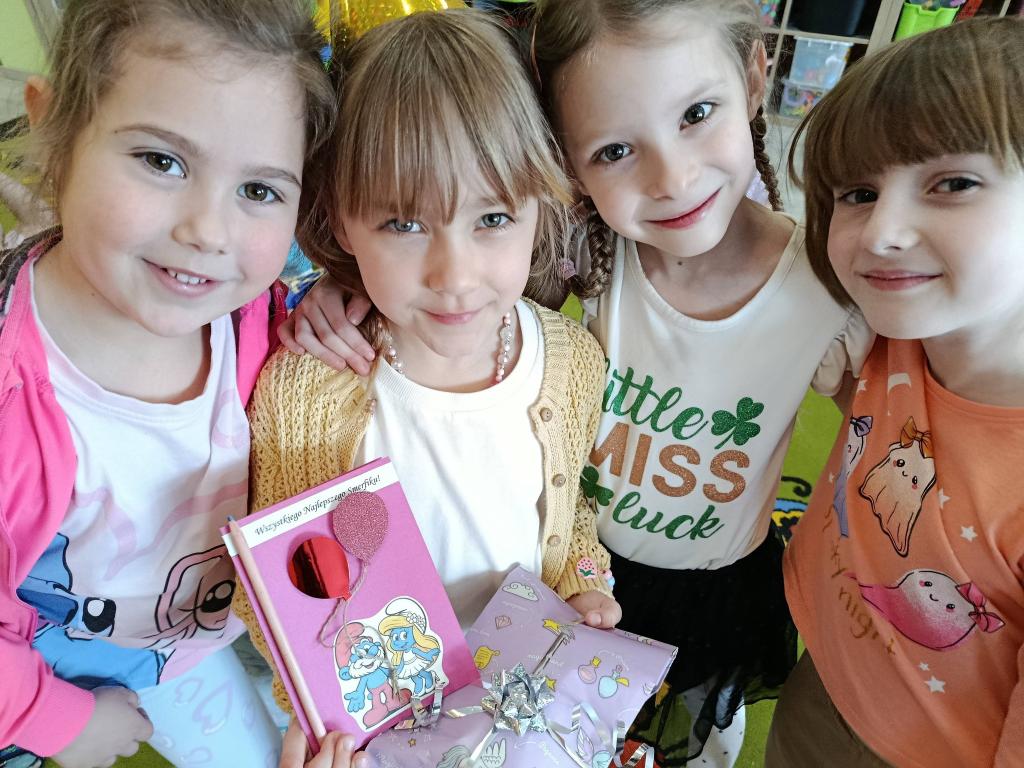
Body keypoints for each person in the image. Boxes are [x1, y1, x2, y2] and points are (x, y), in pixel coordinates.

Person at [281, 1, 871, 764]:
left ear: (756, 76)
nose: (673, 178)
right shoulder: (590, 263)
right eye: (616, 149)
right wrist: (340, 283)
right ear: (567, 170)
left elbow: (893, 431)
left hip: (700, 588)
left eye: (697, 113)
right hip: (512, 640)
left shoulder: (827, 288)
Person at [232, 7, 620, 766]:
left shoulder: (573, 360)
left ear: (543, 203)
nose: (454, 276)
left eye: (493, 217)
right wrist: (331, 717)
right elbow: (274, 591)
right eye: (405, 225)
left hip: (522, 709)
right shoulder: (305, 389)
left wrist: (584, 587)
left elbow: (571, 514)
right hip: (383, 731)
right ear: (341, 220)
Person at [0, 1, 342, 766]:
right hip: (33, 682)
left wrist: (328, 312)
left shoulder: (262, 320)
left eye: (259, 190)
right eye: (162, 161)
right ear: (55, 129)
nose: (207, 232)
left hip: (184, 650)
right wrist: (58, 722)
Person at [766, 17, 1024, 768]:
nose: (881, 232)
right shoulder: (893, 333)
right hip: (826, 671)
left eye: (952, 184)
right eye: (858, 192)